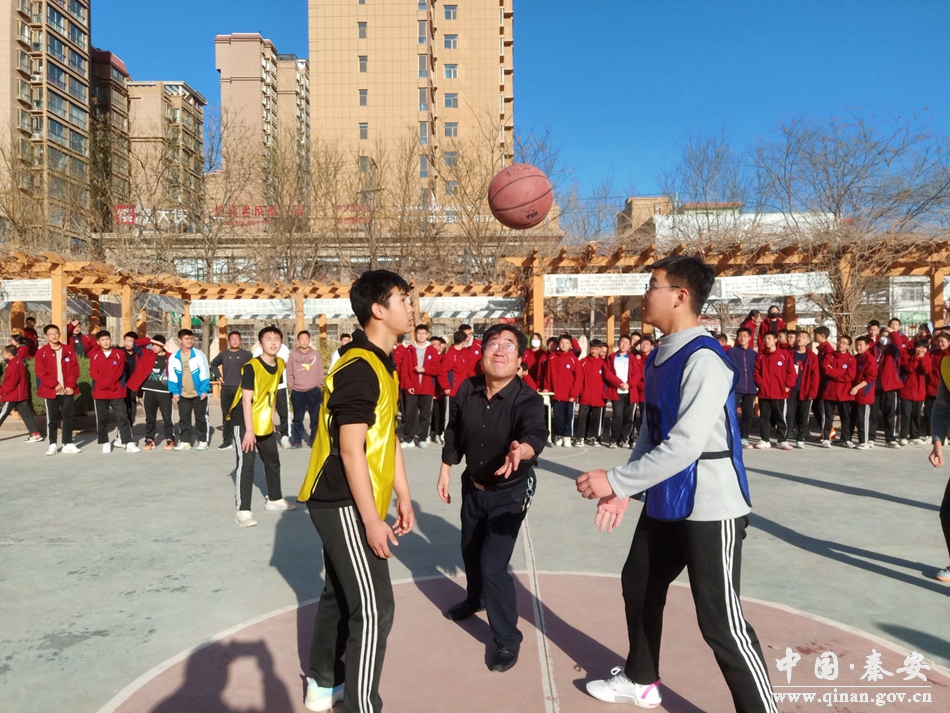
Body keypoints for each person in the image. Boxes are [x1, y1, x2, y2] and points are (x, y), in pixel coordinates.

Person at [575, 256, 776, 713]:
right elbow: (653, 433)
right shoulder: (659, 355)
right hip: (668, 496)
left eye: (653, 285)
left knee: (721, 623)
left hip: (711, 505)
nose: (645, 294)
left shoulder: (705, 358)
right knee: (640, 581)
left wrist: (614, 479)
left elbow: (685, 445)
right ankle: (641, 679)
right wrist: (625, 489)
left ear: (680, 296)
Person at [299, 270, 415, 713]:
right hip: (341, 499)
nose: (411, 306)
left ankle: (323, 683)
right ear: (378, 310)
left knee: (340, 594)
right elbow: (350, 449)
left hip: (351, 498)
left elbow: (387, 436)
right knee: (374, 608)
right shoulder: (360, 366)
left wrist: (403, 494)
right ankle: (361, 705)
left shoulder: (383, 363)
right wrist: (371, 520)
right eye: (402, 298)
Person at [437, 323, 548, 673]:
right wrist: (446, 468)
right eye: (493, 344)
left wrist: (523, 449)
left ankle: (507, 639)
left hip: (511, 492)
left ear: (520, 360)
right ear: (481, 353)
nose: (500, 350)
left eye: (509, 346)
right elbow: (454, 431)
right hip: (474, 486)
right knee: (470, 550)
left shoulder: (527, 399)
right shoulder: (466, 389)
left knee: (493, 565)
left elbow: (536, 432)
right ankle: (476, 599)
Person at [227, 326, 296, 528]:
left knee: (272, 459)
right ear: (260, 343)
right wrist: (249, 431)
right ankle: (242, 511)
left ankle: (274, 499)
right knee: (246, 463)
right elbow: (246, 401)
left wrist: (270, 420)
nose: (273, 342)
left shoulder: (280, 364)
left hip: (263, 418)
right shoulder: (251, 367)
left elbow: (272, 393)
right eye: (268, 339)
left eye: (277, 339)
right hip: (243, 419)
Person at [89, 331, 139, 453]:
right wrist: (103, 384)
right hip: (100, 391)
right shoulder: (95, 355)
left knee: (122, 416)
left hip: (116, 390)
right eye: (102, 340)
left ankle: (128, 442)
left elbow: (119, 371)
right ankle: (105, 442)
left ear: (111, 339)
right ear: (98, 342)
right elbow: (94, 373)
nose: (105, 342)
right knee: (102, 418)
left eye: (107, 339)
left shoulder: (119, 354)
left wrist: (110, 384)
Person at [35, 324, 81, 455]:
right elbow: (41, 371)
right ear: (46, 336)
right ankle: (52, 444)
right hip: (51, 391)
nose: (54, 336)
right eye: (51, 334)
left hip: (67, 390)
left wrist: (70, 385)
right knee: (52, 419)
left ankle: (68, 443)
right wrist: (55, 384)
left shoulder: (68, 350)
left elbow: (74, 369)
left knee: (68, 417)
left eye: (56, 333)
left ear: (59, 334)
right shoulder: (42, 352)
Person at [127, 335, 175, 451]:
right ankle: (150, 440)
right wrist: (150, 340)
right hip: (149, 391)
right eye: (153, 344)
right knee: (150, 418)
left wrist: (176, 391)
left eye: (157, 345)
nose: (154, 347)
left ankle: (170, 439)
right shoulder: (147, 354)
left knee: (167, 417)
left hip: (165, 392)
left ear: (162, 345)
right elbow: (136, 344)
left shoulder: (170, 357)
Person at [168, 329, 212, 451]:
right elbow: (172, 376)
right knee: (184, 418)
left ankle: (202, 441)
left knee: (201, 418)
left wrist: (204, 390)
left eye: (191, 338)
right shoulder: (174, 357)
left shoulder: (199, 355)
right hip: (183, 394)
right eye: (186, 339)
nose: (189, 341)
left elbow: (205, 373)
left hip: (199, 393)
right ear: (180, 340)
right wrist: (174, 392)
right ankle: (185, 441)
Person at [399, 323, 441, 448]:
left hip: (427, 387)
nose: (421, 336)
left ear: (428, 335)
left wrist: (424, 369)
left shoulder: (432, 350)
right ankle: (409, 438)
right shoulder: (409, 350)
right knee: (410, 414)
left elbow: (437, 368)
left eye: (424, 333)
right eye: (419, 333)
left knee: (425, 414)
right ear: (415, 334)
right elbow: (404, 370)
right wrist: (408, 386)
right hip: (412, 387)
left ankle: (422, 438)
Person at [210, 331, 252, 451]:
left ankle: (244, 439)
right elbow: (213, 364)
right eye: (232, 339)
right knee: (226, 415)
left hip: (241, 389)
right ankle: (227, 441)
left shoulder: (247, 355)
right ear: (228, 342)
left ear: (241, 341)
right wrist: (219, 376)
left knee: (243, 414)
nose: (235, 341)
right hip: (227, 388)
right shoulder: (224, 354)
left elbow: (254, 368)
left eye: (237, 339)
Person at [753, 331, 795, 449]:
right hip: (764, 392)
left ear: (776, 340)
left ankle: (782, 440)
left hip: (779, 392)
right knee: (764, 418)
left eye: (769, 338)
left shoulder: (784, 354)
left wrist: (788, 385)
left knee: (780, 417)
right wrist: (760, 384)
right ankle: (764, 439)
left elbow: (791, 371)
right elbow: (756, 372)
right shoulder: (761, 355)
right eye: (765, 338)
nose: (767, 341)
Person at [287, 330, 325, 449]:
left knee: (315, 418)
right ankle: (297, 441)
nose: (304, 341)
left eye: (306, 339)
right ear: (298, 341)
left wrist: (318, 384)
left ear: (309, 340)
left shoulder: (315, 354)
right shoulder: (293, 355)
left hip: (313, 390)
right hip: (298, 390)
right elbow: (289, 372)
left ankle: (314, 440)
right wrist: (292, 386)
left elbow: (320, 370)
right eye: (301, 339)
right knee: (298, 418)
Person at [254, 338, 293, 448]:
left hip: (280, 386)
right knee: (264, 412)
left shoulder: (283, 348)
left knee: (284, 413)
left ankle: (285, 436)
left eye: (276, 338)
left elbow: (286, 363)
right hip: (265, 388)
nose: (273, 342)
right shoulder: (259, 349)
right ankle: (263, 435)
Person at [603, 335, 640, 448]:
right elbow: (608, 373)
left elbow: (637, 374)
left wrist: (629, 384)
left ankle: (624, 438)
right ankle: (614, 439)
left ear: (630, 346)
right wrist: (619, 383)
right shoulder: (612, 357)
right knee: (617, 415)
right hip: (617, 391)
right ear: (618, 343)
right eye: (622, 342)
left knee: (629, 417)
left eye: (626, 343)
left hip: (630, 391)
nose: (624, 345)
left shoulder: (633, 358)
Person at [0, 345, 43, 442]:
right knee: (27, 415)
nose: (3, 355)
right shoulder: (18, 362)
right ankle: (35, 434)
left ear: (9, 354)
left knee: (2, 414)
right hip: (20, 395)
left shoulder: (13, 364)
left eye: (4, 353)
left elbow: (11, 382)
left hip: (12, 396)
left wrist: (3, 391)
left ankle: (35, 434)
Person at [544, 333, 580, 447]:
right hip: (556, 394)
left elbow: (578, 378)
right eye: (562, 342)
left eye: (567, 343)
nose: (564, 345)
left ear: (570, 345)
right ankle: (559, 435)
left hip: (570, 395)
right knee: (558, 416)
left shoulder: (574, 359)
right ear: (558, 344)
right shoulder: (552, 358)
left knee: (569, 416)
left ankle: (567, 436)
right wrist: (547, 388)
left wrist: (574, 394)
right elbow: (548, 375)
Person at [820, 335, 856, 448]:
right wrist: (841, 372)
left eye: (844, 343)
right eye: (839, 342)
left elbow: (850, 376)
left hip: (845, 392)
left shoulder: (851, 359)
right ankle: (826, 438)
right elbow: (826, 370)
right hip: (830, 391)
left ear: (848, 346)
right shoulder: (829, 356)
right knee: (828, 417)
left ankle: (846, 438)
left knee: (845, 417)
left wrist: (834, 372)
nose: (841, 344)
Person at [787, 329, 820, 448]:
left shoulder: (812, 356)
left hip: (805, 389)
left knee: (803, 415)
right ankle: (786, 435)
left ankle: (801, 438)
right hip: (791, 389)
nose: (800, 339)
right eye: (798, 337)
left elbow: (815, 376)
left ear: (808, 341)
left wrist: (813, 392)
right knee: (789, 413)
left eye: (803, 337)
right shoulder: (789, 354)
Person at [872, 327, 903, 448]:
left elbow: (899, 345)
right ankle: (870, 437)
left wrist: (893, 333)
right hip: (874, 386)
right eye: (883, 335)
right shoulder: (873, 348)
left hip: (889, 386)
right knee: (872, 414)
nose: (885, 338)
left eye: (888, 336)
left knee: (889, 414)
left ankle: (890, 438)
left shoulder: (893, 350)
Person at [728, 327, 757, 448]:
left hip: (750, 388)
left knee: (748, 414)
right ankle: (731, 436)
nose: (742, 338)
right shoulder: (732, 352)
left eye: (745, 336)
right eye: (740, 336)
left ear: (749, 338)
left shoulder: (753, 354)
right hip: (736, 387)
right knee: (731, 413)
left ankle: (744, 437)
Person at [898, 339, 931, 445]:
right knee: (906, 414)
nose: (920, 350)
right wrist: (916, 358)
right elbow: (909, 368)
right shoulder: (907, 356)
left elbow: (926, 370)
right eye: (918, 347)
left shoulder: (927, 358)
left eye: (923, 348)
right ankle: (903, 436)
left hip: (920, 391)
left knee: (916, 414)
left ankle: (914, 436)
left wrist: (922, 359)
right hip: (906, 390)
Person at [575, 340, 607, 446]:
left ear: (600, 349)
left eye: (596, 349)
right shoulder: (583, 362)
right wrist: (579, 392)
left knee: (597, 418)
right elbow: (579, 378)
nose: (594, 351)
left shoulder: (604, 363)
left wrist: (605, 393)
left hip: (599, 396)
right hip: (585, 395)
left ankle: (595, 437)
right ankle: (580, 437)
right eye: (592, 348)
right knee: (582, 417)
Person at [848, 335, 878, 450]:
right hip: (854, 393)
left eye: (861, 345)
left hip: (864, 393)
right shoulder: (856, 358)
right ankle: (848, 438)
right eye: (856, 345)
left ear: (867, 346)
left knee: (863, 418)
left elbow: (871, 377)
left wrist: (857, 387)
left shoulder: (870, 358)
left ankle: (864, 441)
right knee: (853, 416)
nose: (858, 347)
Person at [925, 332, 950, 437]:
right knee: (931, 412)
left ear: (949, 342)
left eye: (942, 341)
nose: (940, 344)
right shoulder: (932, 354)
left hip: (946, 387)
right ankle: (931, 434)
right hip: (932, 387)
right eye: (938, 341)